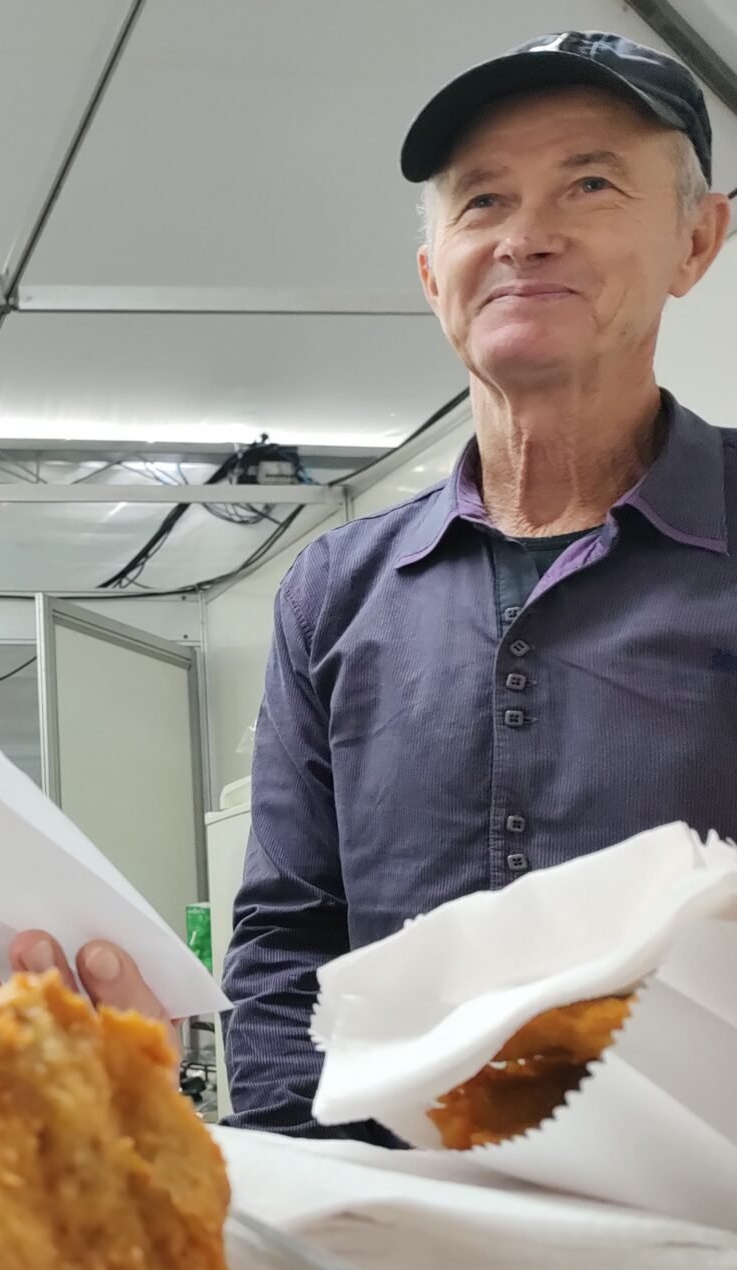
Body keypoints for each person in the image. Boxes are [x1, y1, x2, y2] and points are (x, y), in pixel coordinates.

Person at [221, 32, 734, 1139]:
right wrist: (317, 1195)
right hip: (402, 1232)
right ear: (431, 274)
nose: (526, 237)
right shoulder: (336, 590)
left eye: (590, 184)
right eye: (482, 202)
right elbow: (284, 942)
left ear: (699, 238)